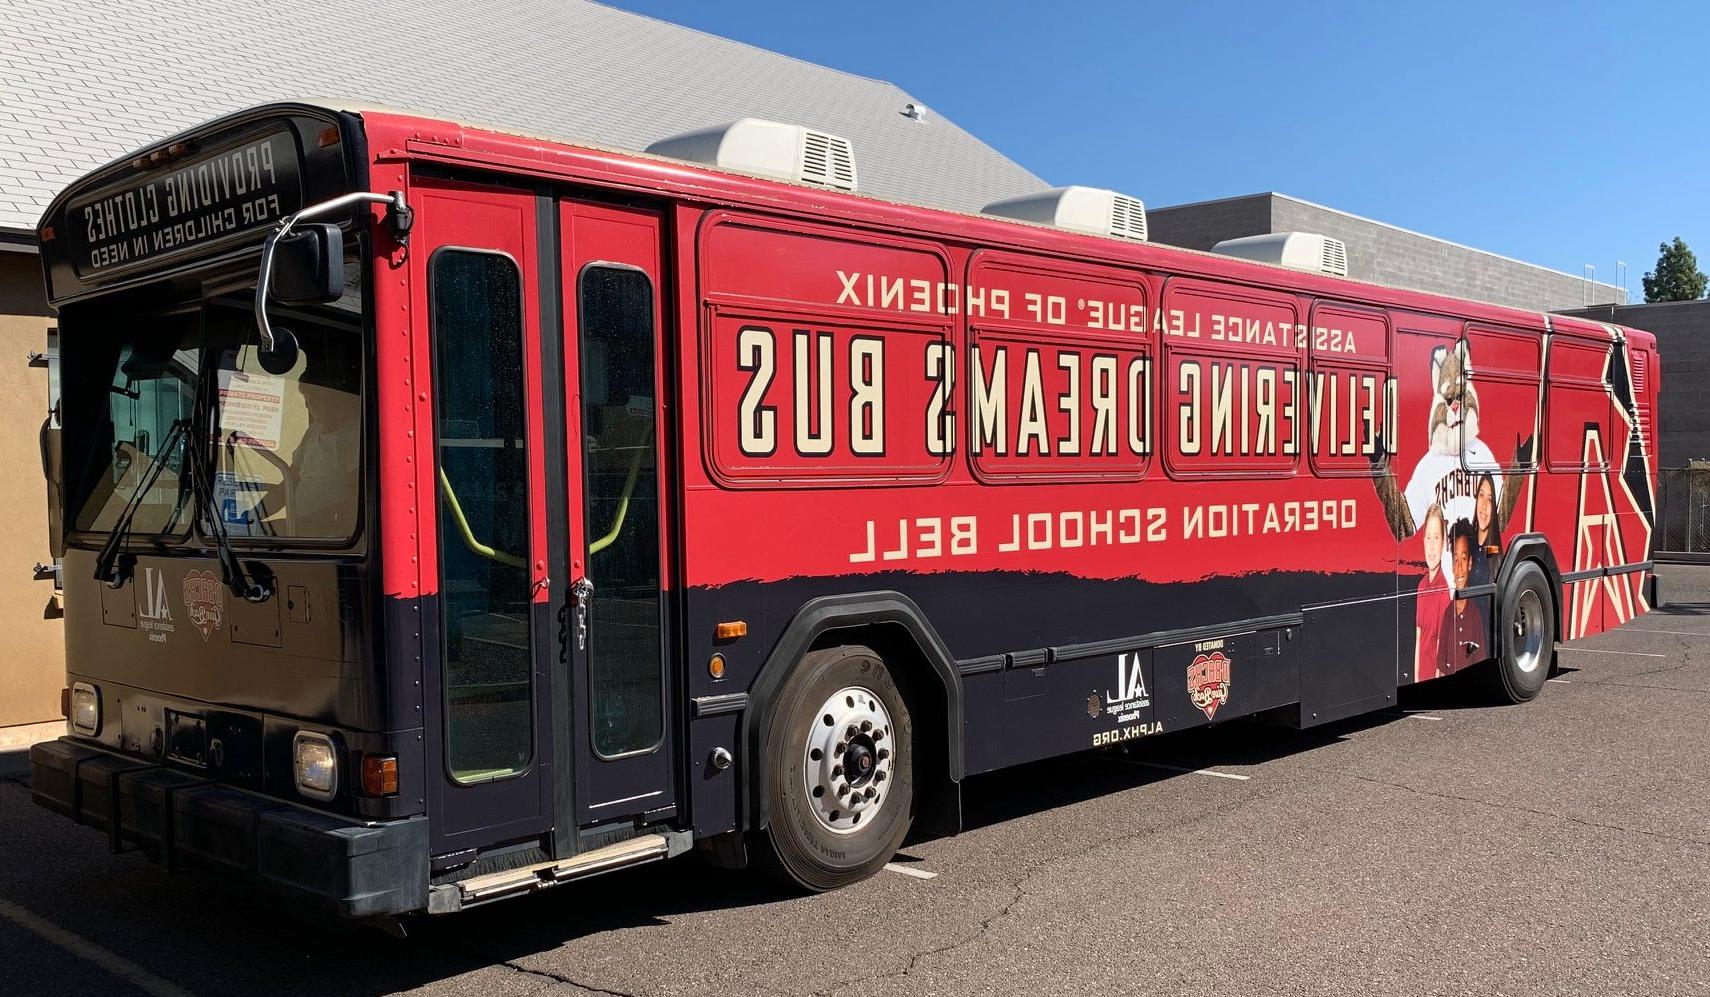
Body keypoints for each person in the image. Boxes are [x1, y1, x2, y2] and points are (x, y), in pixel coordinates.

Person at [1445, 520, 1488, 674]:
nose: (1459, 568)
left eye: (1463, 559)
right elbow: (1441, 667)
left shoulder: (1477, 613)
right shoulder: (1447, 613)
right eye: (1455, 560)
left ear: (1470, 563)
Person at [1414, 504, 1451, 681]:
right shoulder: (1421, 586)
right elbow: (1418, 640)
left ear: (1443, 542)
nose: (1431, 546)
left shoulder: (1444, 589)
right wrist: (1415, 679)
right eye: (1428, 537)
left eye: (1436, 537)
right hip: (1422, 677)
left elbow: (1440, 646)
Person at [1470, 472, 1501, 588]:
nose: (1484, 505)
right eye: (1481, 495)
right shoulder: (1469, 542)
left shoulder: (1493, 550)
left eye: (1490, 499)